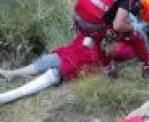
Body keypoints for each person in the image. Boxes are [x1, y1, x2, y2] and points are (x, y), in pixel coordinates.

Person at [73, 0, 149, 77]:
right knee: (135, 35)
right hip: (94, 26)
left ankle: (108, 69)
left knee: (102, 39)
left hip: (79, 20)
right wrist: (133, 27)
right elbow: (118, 25)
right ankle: (148, 66)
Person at [0, 36, 133, 105]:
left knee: (27, 89)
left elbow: (102, 70)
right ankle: (11, 74)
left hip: (63, 71)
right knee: (44, 62)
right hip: (62, 57)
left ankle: (4, 97)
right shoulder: (93, 39)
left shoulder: (108, 60)